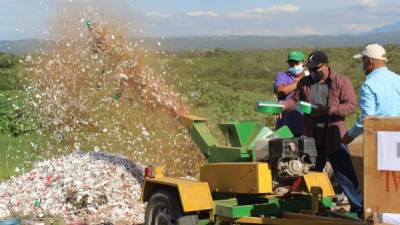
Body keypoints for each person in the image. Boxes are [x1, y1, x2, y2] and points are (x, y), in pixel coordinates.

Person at [282, 50, 363, 215]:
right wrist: (283, 106)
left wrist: (329, 110)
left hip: (333, 135)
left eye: (316, 69)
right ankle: (309, 204)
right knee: (310, 172)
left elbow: (350, 106)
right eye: (310, 69)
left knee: (344, 173)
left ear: (326, 66)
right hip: (313, 136)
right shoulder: (305, 82)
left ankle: (359, 208)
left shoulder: (341, 81)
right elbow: (295, 100)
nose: (313, 72)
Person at [342, 44, 400, 144]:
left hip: (381, 139)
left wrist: (350, 135)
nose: (362, 64)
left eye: (363, 60)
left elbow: (368, 118)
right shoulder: (397, 79)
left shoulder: (368, 85)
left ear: (369, 61)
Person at [273, 51, 307, 137]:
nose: (294, 66)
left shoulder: (311, 77)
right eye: (291, 64)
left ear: (304, 62)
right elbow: (281, 90)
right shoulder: (282, 76)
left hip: (305, 126)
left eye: (297, 63)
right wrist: (301, 82)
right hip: (284, 126)